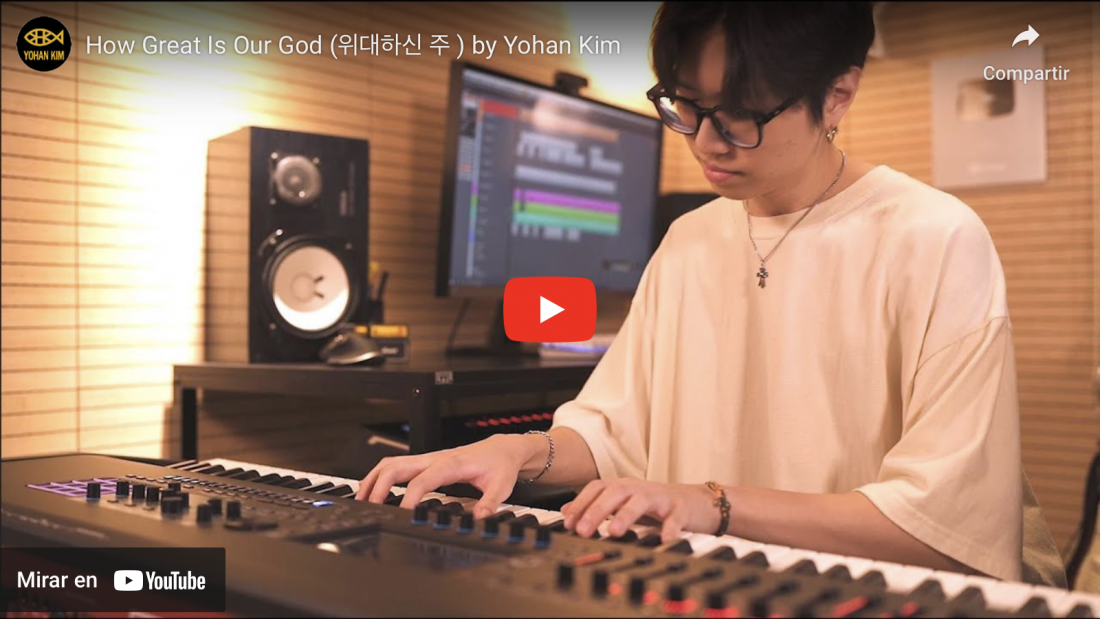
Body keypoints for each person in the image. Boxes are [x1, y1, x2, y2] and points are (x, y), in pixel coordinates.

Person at [358, 1, 1066, 586]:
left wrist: (713, 503)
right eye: (686, 106)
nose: (704, 142)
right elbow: (612, 434)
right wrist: (516, 452)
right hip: (700, 587)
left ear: (838, 94)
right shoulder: (689, 240)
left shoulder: (934, 237)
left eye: (739, 115)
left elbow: (941, 529)